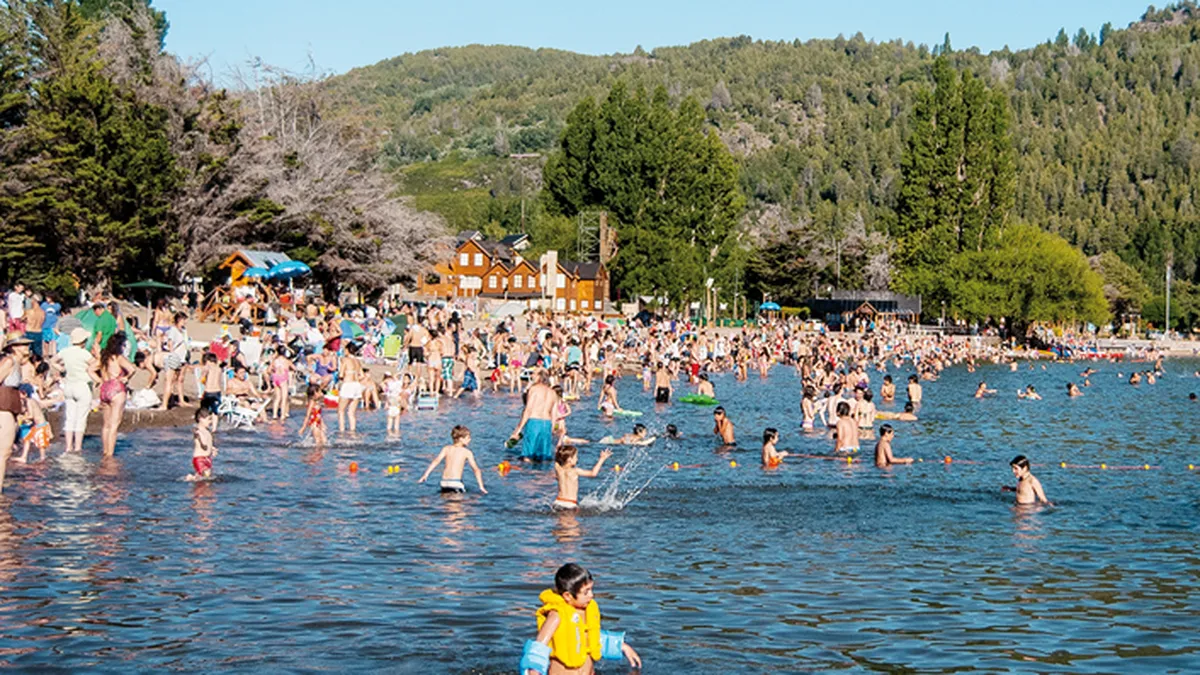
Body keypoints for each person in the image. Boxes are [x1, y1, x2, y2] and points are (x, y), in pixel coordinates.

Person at [520, 563, 641, 675]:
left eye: (591, 589)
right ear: (568, 595)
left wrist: (621, 646)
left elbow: (587, 639)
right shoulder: (556, 615)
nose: (591, 595)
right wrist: (533, 671)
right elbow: (539, 648)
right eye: (586, 592)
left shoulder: (587, 610)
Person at [51, 328, 96, 453]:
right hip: (82, 385)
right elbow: (95, 364)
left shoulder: (65, 352)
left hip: (69, 386)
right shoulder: (84, 353)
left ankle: (68, 447)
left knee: (69, 417)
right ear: (83, 341)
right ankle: (77, 447)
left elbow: (52, 361)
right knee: (81, 418)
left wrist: (61, 368)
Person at [0, 336, 33, 494]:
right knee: (3, 451)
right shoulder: (9, 362)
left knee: (5, 451)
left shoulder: (17, 363)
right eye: (22, 344)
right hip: (3, 408)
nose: (26, 347)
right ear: (13, 347)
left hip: (11, 408)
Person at [95, 333, 135, 457]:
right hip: (117, 388)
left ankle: (105, 451)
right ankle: (110, 454)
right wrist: (126, 377)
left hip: (105, 388)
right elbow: (132, 369)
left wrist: (99, 380)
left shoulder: (104, 357)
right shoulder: (118, 358)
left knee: (106, 425)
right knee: (114, 425)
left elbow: (90, 369)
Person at [417, 424, 487, 494]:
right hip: (455, 483)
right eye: (468, 438)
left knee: (446, 503)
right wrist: (481, 486)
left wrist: (425, 475)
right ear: (461, 439)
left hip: (444, 483)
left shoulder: (446, 448)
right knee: (462, 503)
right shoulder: (467, 452)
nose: (470, 439)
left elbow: (436, 461)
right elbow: (476, 470)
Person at [511, 369, 558, 462]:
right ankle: (541, 475)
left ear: (539, 377)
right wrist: (552, 428)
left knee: (528, 456)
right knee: (544, 457)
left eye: (534, 374)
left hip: (534, 421)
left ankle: (528, 475)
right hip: (547, 424)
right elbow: (554, 414)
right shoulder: (553, 393)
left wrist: (518, 429)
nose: (532, 376)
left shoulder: (534, 389)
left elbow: (528, 409)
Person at [551, 445, 612, 510]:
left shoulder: (558, 469)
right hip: (569, 504)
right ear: (569, 460)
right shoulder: (575, 471)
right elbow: (593, 473)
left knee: (560, 520)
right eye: (575, 457)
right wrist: (602, 459)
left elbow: (556, 456)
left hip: (558, 502)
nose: (577, 459)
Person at [14, 390, 51, 464]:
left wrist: (23, 418)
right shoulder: (30, 401)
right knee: (27, 439)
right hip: (35, 425)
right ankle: (23, 457)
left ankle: (42, 458)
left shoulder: (29, 402)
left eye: (19, 394)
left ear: (25, 394)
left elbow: (31, 416)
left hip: (41, 425)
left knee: (41, 443)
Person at [191, 407, 218, 479]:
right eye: (209, 419)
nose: (211, 422)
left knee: (205, 479)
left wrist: (212, 449)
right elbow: (203, 443)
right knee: (206, 478)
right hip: (199, 459)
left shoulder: (207, 431)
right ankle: (191, 478)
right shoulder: (198, 431)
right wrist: (200, 436)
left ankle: (195, 478)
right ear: (200, 419)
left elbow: (208, 443)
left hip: (208, 459)